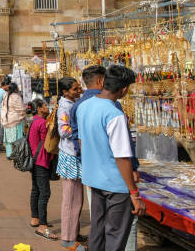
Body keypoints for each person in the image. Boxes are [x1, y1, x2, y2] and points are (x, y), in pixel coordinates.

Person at [70, 65, 141, 251]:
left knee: (97, 232)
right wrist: (134, 194)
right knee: (115, 236)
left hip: (94, 179)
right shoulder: (114, 114)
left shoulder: (83, 106)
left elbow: (82, 143)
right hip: (115, 184)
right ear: (124, 89)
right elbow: (122, 157)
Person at [54, 77, 86, 250]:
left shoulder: (73, 102)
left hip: (73, 154)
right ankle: (68, 238)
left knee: (77, 198)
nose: (78, 90)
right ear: (65, 92)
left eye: (78, 87)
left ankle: (74, 232)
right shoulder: (65, 107)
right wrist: (81, 128)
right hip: (70, 154)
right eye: (74, 89)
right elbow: (63, 130)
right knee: (72, 199)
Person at [27, 98, 58, 240]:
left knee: (36, 190)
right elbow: (49, 143)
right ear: (39, 108)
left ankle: (35, 218)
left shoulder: (33, 121)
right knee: (44, 193)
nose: (47, 107)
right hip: (42, 161)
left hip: (34, 160)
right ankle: (42, 226)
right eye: (45, 105)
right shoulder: (42, 123)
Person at [0, 82, 26, 159]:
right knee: (17, 139)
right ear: (15, 88)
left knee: (8, 140)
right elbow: (21, 109)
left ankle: (9, 154)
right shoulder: (16, 97)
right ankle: (18, 154)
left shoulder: (6, 96)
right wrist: (24, 114)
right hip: (15, 120)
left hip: (7, 120)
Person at [0, 76, 11, 151]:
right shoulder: (3, 93)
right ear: (6, 85)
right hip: (1, 112)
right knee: (1, 129)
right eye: (8, 86)